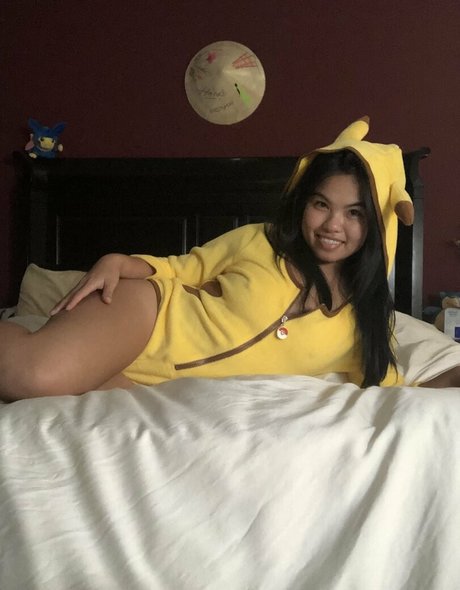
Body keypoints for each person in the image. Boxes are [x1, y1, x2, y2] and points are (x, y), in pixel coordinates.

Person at [1, 117, 458, 401]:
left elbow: (393, 389)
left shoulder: (366, 320)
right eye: (321, 204)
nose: (332, 225)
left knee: (57, 390)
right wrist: (120, 261)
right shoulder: (261, 240)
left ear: (377, 223)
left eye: (354, 213)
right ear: (303, 203)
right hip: (146, 317)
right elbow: (183, 267)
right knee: (34, 377)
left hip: (145, 384)